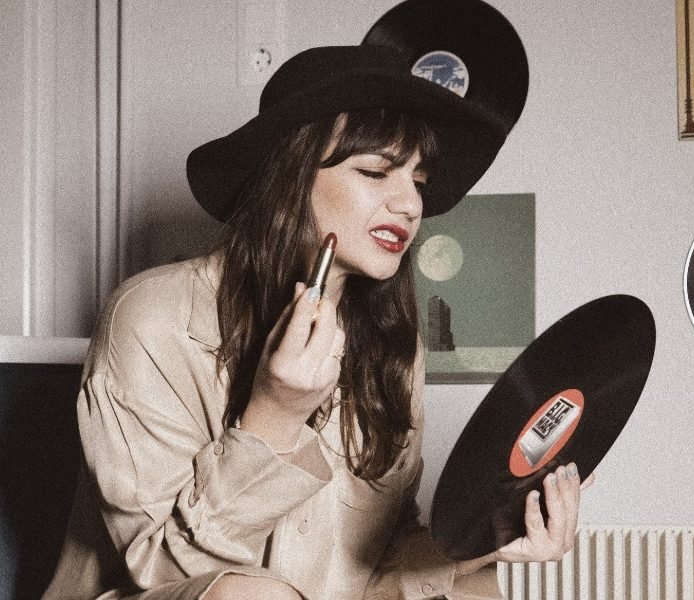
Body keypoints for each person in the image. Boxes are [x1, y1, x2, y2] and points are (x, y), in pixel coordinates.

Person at [43, 45, 590, 600]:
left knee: (475, 589)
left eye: (419, 182)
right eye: (375, 172)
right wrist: (274, 416)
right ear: (290, 176)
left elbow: (374, 560)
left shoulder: (394, 345)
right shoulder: (153, 317)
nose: (409, 205)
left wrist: (491, 538)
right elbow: (161, 569)